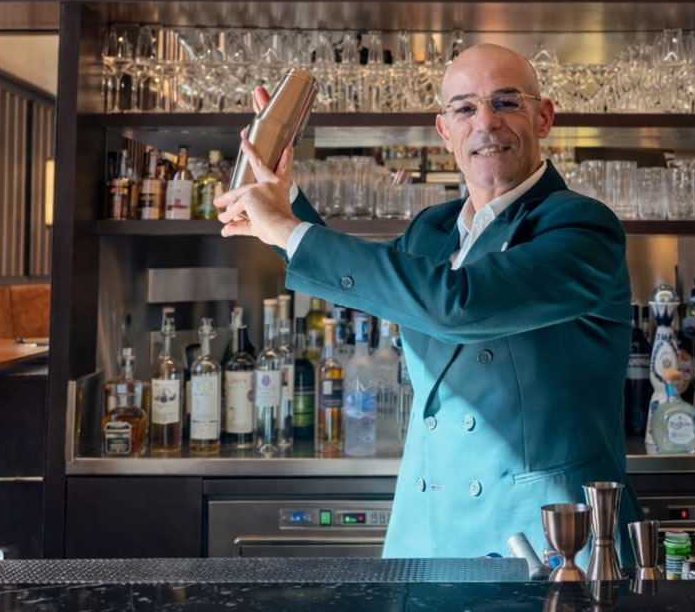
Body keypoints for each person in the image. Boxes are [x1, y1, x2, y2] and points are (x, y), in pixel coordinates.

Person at [215, 42, 638, 560]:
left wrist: (289, 229)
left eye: (506, 102)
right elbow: (377, 287)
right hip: (429, 532)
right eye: (464, 108)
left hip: (546, 536)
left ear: (543, 116)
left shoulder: (581, 226)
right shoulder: (433, 230)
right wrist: (286, 203)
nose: (485, 123)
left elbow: (459, 305)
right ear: (444, 131)